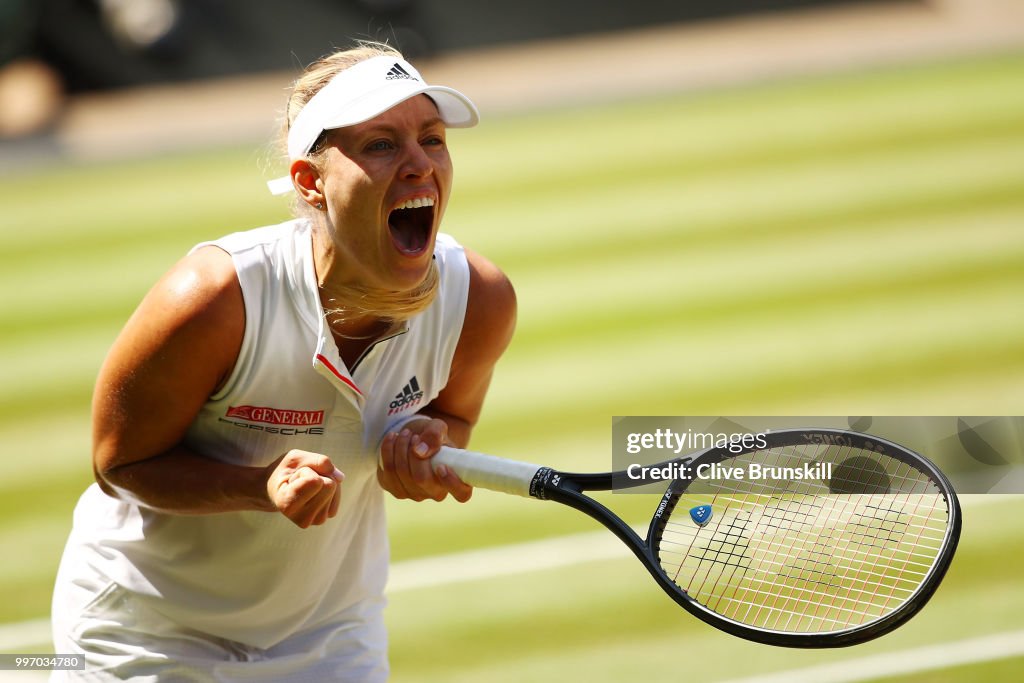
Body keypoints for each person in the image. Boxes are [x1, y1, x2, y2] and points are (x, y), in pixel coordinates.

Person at [50, 42, 516, 681]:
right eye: (381, 145)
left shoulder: (479, 301)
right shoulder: (214, 299)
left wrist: (421, 447)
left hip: (330, 634)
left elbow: (453, 417)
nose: (419, 166)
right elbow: (120, 463)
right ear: (310, 182)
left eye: (432, 139)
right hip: (147, 630)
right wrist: (257, 488)